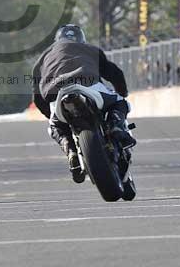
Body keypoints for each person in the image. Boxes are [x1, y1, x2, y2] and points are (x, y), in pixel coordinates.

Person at [31, 24, 136, 183]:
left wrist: (51, 115)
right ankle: (115, 124)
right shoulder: (90, 49)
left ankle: (70, 150)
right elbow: (115, 73)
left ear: (57, 40)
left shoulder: (43, 58)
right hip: (88, 85)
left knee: (55, 126)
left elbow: (37, 96)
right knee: (120, 102)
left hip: (57, 94)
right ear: (81, 38)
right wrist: (122, 92)